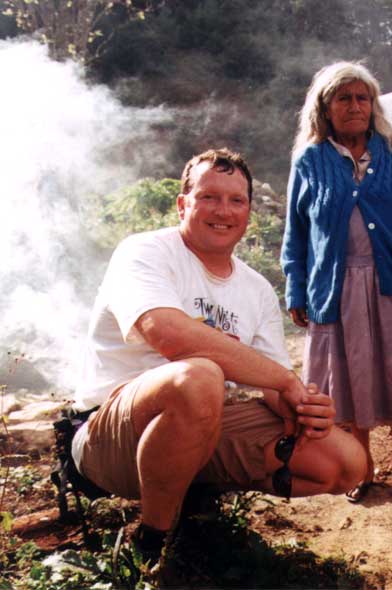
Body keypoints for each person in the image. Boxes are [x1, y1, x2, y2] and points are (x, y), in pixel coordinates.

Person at [71, 148, 365, 562]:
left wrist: (298, 405)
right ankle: (152, 545)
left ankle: (194, 495)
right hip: (110, 435)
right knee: (199, 376)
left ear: (248, 211)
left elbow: (273, 382)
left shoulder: (256, 289)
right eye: (209, 197)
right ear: (182, 204)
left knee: (346, 461)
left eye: (236, 200)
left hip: (202, 422)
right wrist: (283, 381)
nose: (223, 210)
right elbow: (169, 336)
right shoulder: (145, 252)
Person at [281, 62, 392, 512]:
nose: (355, 106)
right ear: (326, 109)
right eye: (344, 98)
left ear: (373, 106)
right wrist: (296, 287)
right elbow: (296, 232)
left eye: (362, 98)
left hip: (389, 282)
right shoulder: (310, 160)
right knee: (354, 378)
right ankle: (363, 464)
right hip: (335, 286)